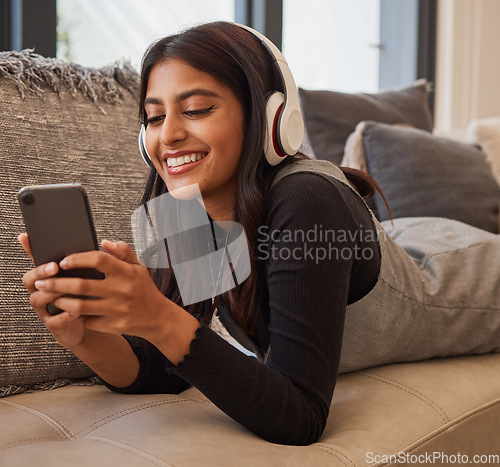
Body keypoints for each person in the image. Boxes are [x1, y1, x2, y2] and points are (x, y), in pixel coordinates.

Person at [18, 21, 500, 446]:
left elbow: (300, 417)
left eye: (198, 108)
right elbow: (165, 366)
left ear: (269, 118)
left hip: (470, 274)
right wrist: (85, 336)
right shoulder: (186, 210)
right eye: (154, 116)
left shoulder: (305, 198)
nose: (167, 137)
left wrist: (157, 315)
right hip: (403, 243)